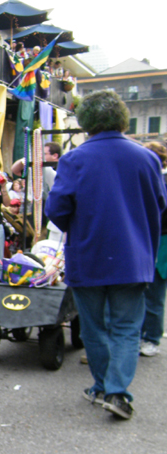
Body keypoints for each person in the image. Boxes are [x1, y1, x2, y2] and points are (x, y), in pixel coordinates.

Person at [47, 91, 166, 419]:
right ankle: (116, 392)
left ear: (87, 121)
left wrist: (80, 226)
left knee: (93, 327)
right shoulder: (148, 158)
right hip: (134, 256)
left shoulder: (75, 158)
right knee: (127, 327)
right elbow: (160, 204)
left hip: (89, 254)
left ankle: (103, 386)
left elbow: (57, 208)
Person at [140, 141, 167, 357]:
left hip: (161, 242)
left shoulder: (162, 181)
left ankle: (152, 338)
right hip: (144, 240)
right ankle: (140, 335)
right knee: (140, 293)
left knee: (154, 294)